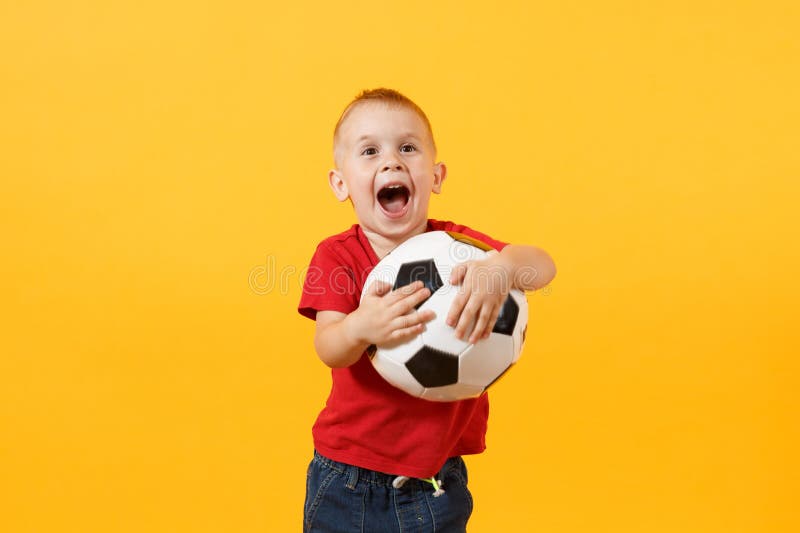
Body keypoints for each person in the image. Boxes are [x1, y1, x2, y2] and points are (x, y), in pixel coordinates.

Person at [298, 88, 556, 532]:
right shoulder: (337, 256)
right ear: (341, 184)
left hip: (437, 483)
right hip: (347, 479)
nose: (392, 161)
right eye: (370, 151)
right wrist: (362, 326)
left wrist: (503, 268)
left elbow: (544, 266)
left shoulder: (461, 249)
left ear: (435, 176)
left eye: (408, 148)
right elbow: (329, 345)